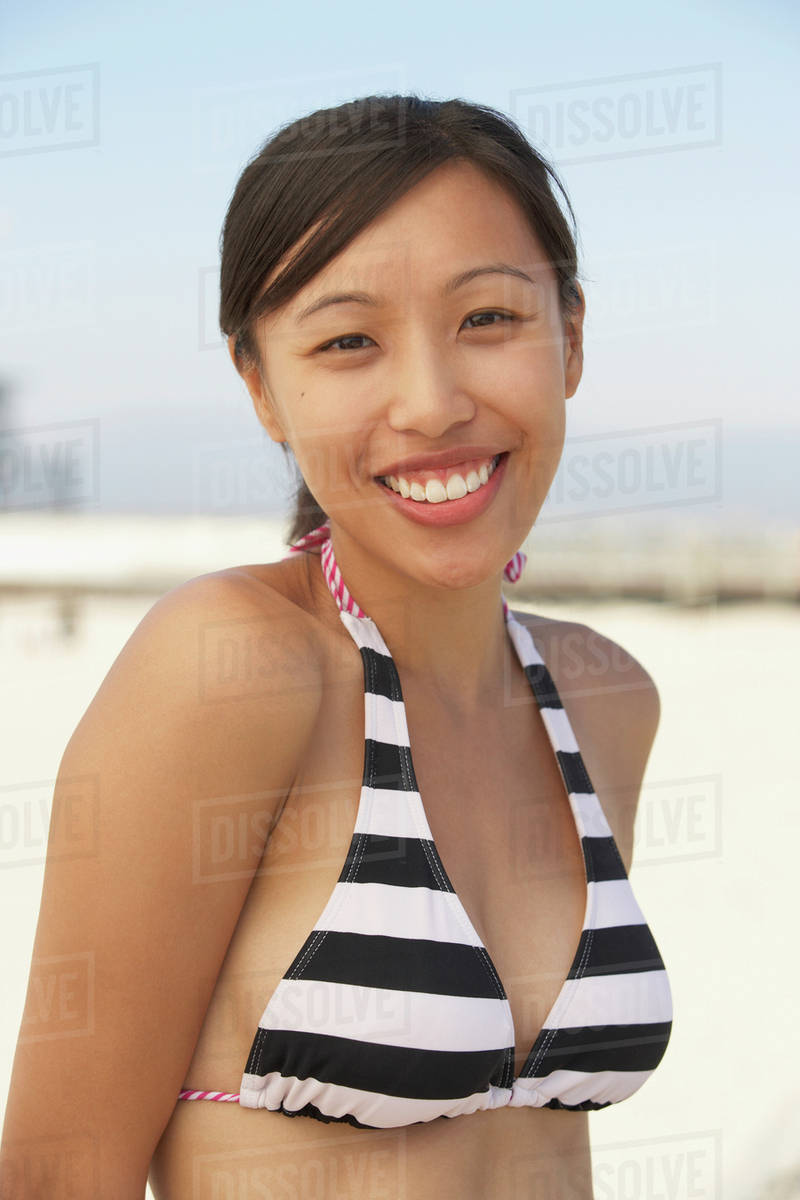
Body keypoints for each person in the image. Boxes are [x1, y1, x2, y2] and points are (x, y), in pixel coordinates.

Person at [0, 94, 671, 1200]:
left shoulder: (602, 698)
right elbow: (57, 1178)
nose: (430, 402)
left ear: (572, 336)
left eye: (489, 319)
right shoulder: (231, 670)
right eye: (348, 341)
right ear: (262, 386)